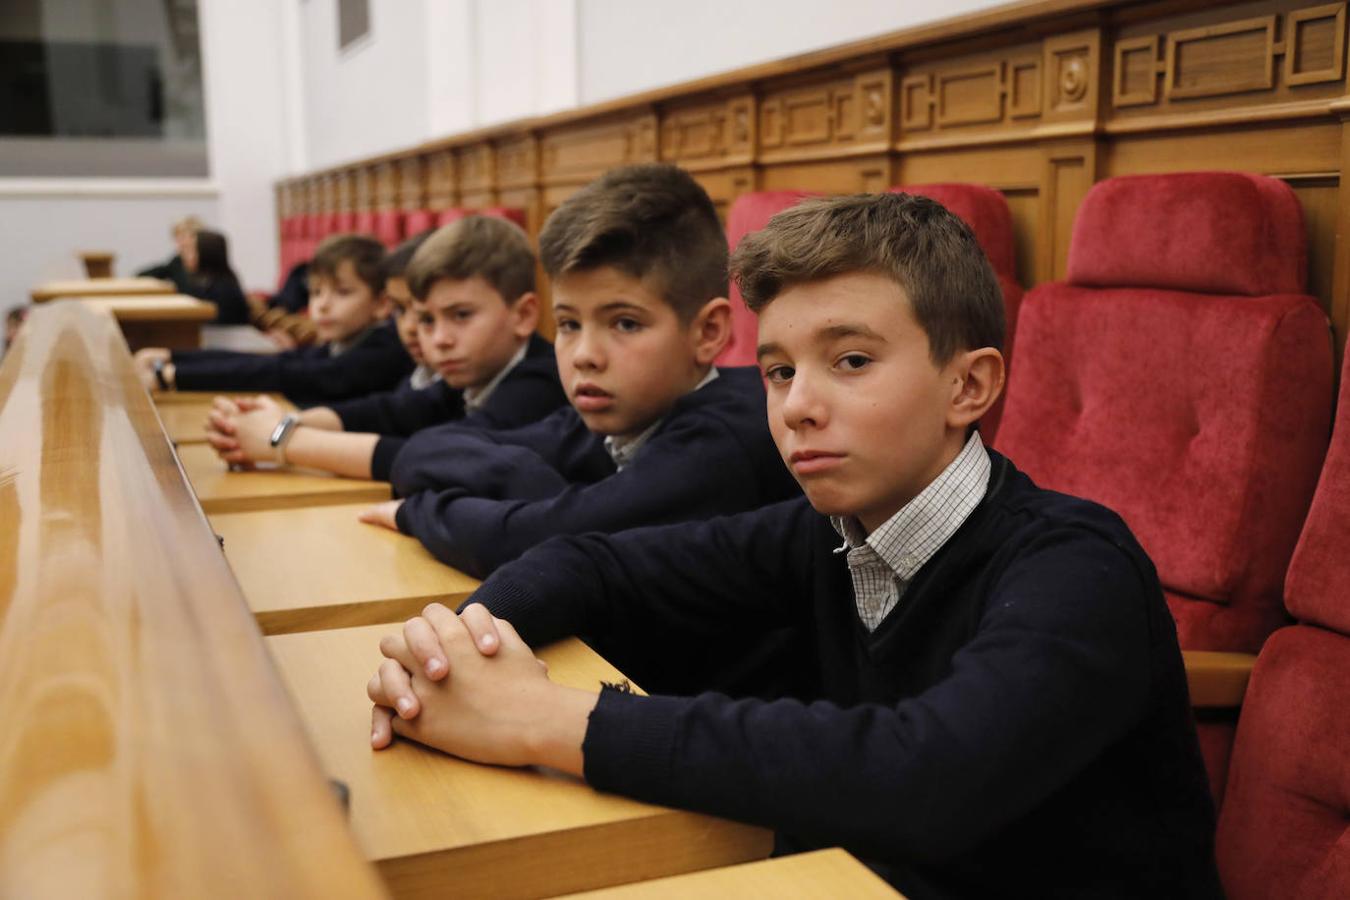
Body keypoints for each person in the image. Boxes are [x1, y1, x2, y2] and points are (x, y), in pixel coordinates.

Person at [365, 193, 1223, 899]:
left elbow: (927, 777)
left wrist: (549, 721)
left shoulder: (1078, 564)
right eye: (779, 371)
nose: (797, 406)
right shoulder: (826, 532)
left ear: (969, 385)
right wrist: (456, 652)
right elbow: (593, 560)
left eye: (849, 361)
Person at [357, 164, 801, 587]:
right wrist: (538, 488)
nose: (585, 356)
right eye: (568, 324)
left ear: (708, 332)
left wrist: (415, 512)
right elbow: (422, 450)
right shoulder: (613, 411)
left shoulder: (725, 440)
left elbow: (531, 544)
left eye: (625, 323)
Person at [203, 219, 566, 481]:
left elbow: (442, 457)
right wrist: (286, 422)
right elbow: (390, 412)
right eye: (426, 320)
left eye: (461, 315)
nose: (439, 338)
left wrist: (279, 440)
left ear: (523, 315)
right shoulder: (471, 372)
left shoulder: (542, 380)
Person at [132, 234, 412, 406]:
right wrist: (173, 359)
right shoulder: (346, 341)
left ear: (381, 304)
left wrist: (173, 375)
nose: (322, 305)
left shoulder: (384, 349)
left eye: (342, 292)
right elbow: (277, 363)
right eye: (315, 292)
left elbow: (284, 374)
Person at [184, 229, 249, 325]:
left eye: (192, 250)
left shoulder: (224, 287)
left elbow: (218, 326)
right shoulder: (202, 282)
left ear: (206, 254)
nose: (185, 255)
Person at [137, 215, 202, 294]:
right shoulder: (177, 261)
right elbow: (142, 274)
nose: (182, 242)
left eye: (189, 236)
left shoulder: (208, 260)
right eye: (178, 237)